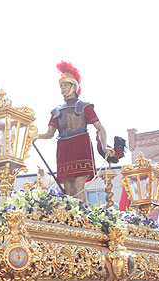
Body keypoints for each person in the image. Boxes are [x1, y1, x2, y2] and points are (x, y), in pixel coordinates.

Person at [37, 61, 122, 202]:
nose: (62, 88)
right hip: (63, 148)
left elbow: (100, 127)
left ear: (74, 86)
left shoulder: (85, 106)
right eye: (61, 86)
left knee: (78, 186)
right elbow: (49, 134)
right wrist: (35, 136)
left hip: (80, 146)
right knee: (69, 190)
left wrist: (104, 144)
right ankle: (73, 220)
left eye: (65, 85)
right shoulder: (57, 110)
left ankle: (83, 220)